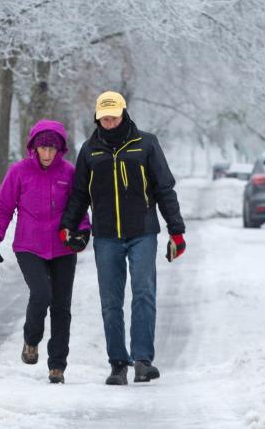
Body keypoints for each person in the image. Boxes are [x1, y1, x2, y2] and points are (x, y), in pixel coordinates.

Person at [59, 91, 185, 386]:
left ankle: (143, 360)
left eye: (114, 115)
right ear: (97, 118)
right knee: (110, 300)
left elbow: (164, 188)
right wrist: (68, 225)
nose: (110, 121)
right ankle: (118, 363)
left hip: (142, 231)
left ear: (123, 112)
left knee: (143, 294)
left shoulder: (146, 143)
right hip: (106, 236)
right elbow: (79, 194)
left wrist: (176, 230)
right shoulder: (90, 151)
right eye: (105, 117)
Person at [0, 120, 90, 384]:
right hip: (29, 245)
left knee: (61, 305)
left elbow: (78, 206)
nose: (47, 154)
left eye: (52, 149)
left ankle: (57, 366)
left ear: (60, 150)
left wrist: (83, 230)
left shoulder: (68, 172)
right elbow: (4, 207)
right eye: (43, 148)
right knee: (42, 293)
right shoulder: (19, 172)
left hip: (63, 247)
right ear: (34, 147)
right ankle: (31, 340)